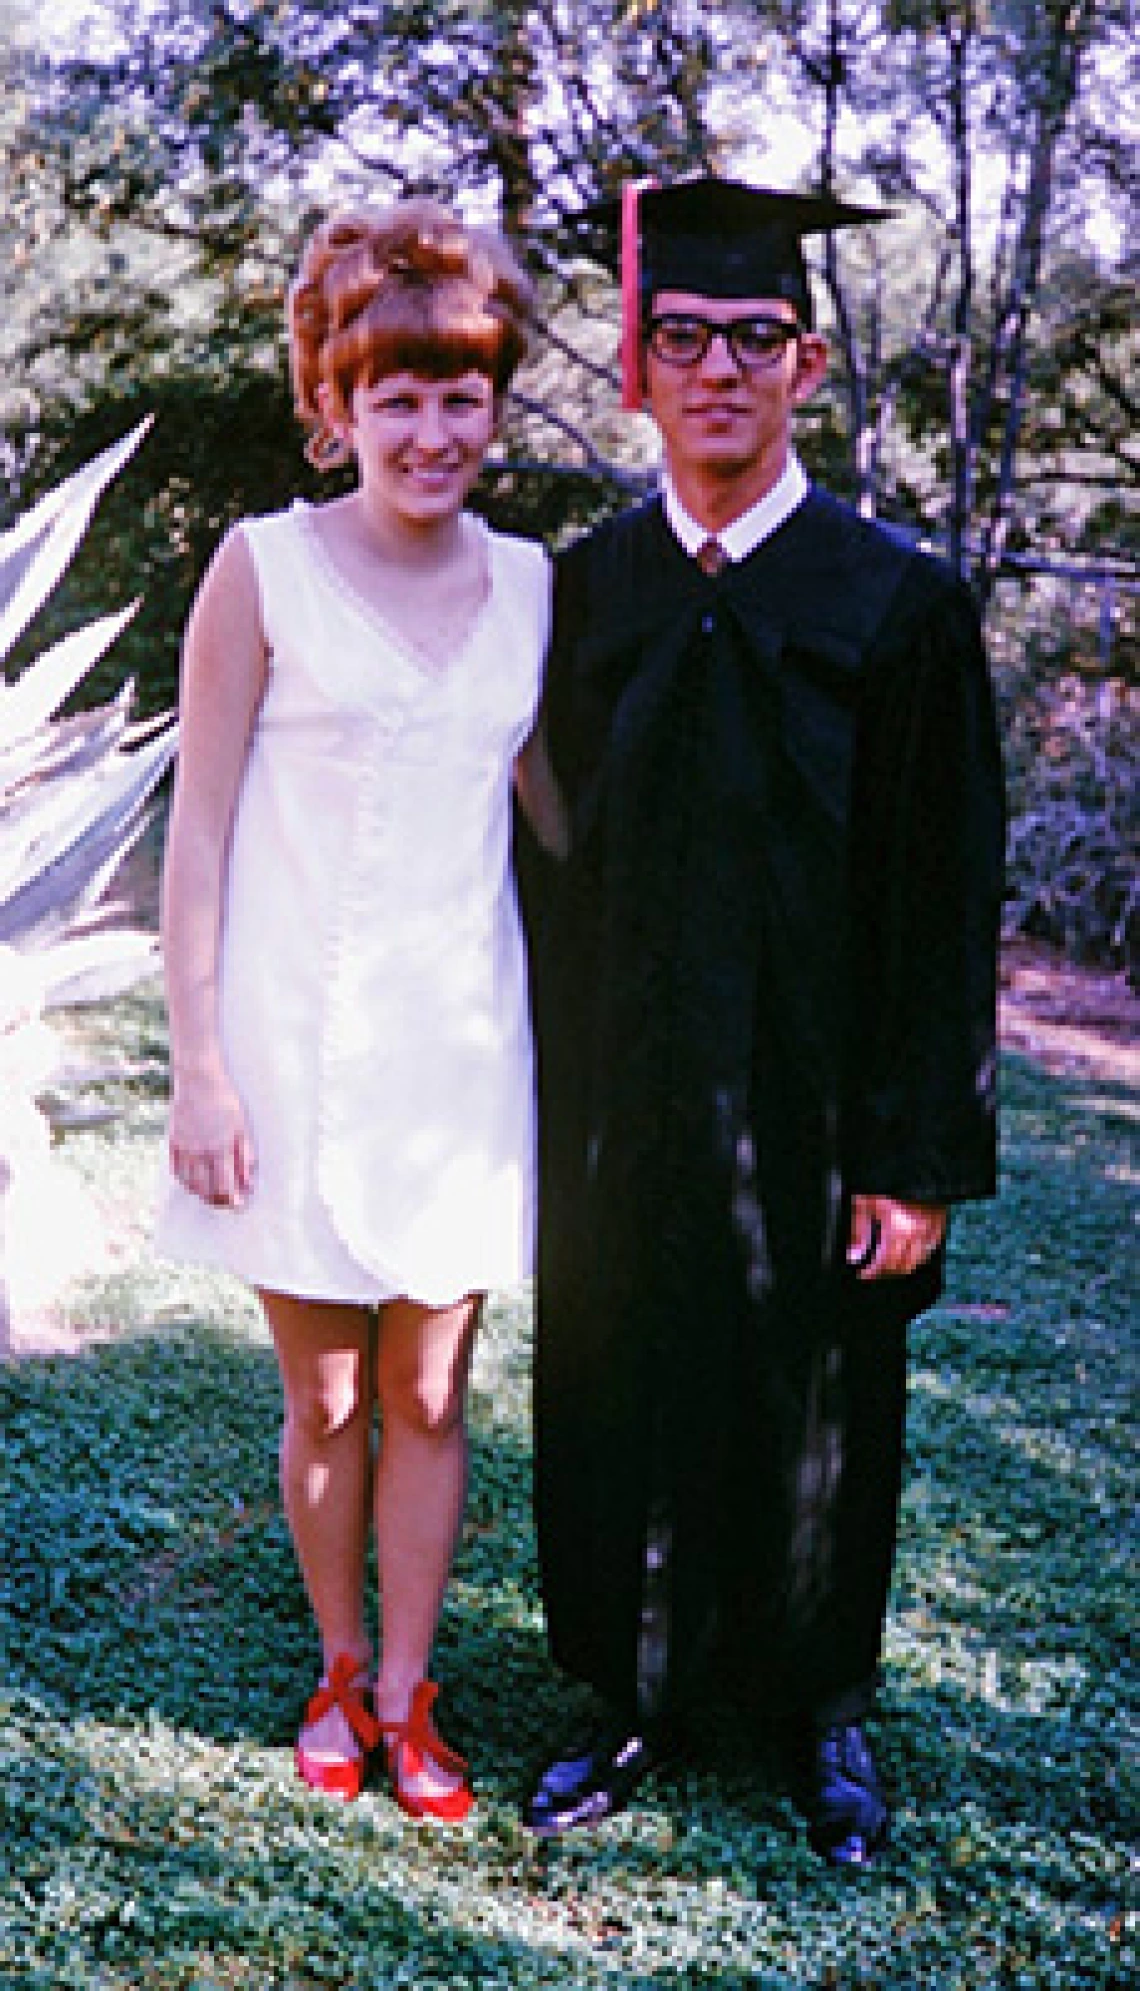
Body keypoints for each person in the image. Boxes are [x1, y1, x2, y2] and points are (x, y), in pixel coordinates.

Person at [519, 176, 1005, 1865]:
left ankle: (818, 1705)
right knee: (624, 1362)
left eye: (754, 339)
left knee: (822, 1386)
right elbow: (530, 853)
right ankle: (631, 1691)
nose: (718, 368)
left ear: (807, 365)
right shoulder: (584, 594)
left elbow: (947, 899)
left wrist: (917, 1150)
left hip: (818, 1093)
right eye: (683, 338)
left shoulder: (898, 603)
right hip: (624, 1086)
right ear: (641, 369)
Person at [157, 199, 565, 1823]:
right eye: (394, 395)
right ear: (334, 403)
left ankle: (412, 1690)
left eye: (461, 394)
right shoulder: (261, 570)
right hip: (290, 1039)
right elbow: (195, 826)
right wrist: (199, 1064)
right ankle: (337, 1663)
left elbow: (557, 820)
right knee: (326, 1392)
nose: (431, 429)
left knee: (432, 1391)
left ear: (497, 404)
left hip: (459, 1052)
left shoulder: (538, 588)